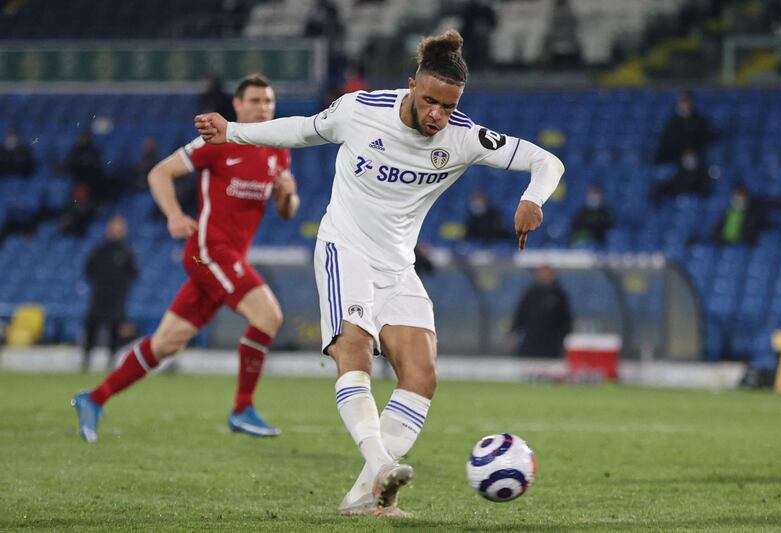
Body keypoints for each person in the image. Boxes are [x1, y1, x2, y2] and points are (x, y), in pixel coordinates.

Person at [195, 30, 564, 516]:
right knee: (354, 349)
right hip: (344, 248)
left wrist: (531, 199)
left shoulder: (463, 138)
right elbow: (302, 130)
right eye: (430, 100)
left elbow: (546, 160)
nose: (437, 114)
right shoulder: (359, 110)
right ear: (411, 85)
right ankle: (380, 465)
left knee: (422, 374)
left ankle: (365, 495)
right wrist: (234, 131)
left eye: (448, 106)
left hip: (397, 264)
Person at [73, 74, 300, 443]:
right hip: (209, 251)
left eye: (269, 102)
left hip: (226, 259)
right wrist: (175, 215)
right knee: (269, 315)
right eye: (255, 101)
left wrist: (288, 196)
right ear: (238, 106)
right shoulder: (216, 141)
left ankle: (93, 399)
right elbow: (159, 172)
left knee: (166, 344)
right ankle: (242, 408)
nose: (263, 108)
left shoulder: (279, 149)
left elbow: (287, 211)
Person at [81, 215, 139, 372]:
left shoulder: (126, 252)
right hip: (99, 296)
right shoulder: (99, 250)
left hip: (117, 298)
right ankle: (85, 360)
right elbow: (88, 270)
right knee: (92, 327)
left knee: (114, 329)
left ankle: (112, 360)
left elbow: (134, 273)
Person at [511, 266, 572, 358]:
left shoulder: (559, 294)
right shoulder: (530, 293)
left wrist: (565, 340)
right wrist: (513, 333)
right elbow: (520, 314)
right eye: (540, 271)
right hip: (530, 342)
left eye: (546, 271)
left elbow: (566, 320)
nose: (543, 274)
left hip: (551, 343)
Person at [714, 184, 781, 246]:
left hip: (744, 244)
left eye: (741, 198)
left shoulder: (754, 210)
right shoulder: (727, 212)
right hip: (726, 243)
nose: (738, 201)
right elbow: (718, 229)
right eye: (736, 198)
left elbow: (770, 205)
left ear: (746, 198)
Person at [655, 91, 718, 165]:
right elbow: (665, 145)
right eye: (682, 101)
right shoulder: (671, 122)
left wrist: (693, 152)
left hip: (697, 159)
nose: (684, 104)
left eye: (686, 101)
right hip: (676, 160)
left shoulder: (700, 121)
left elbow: (708, 139)